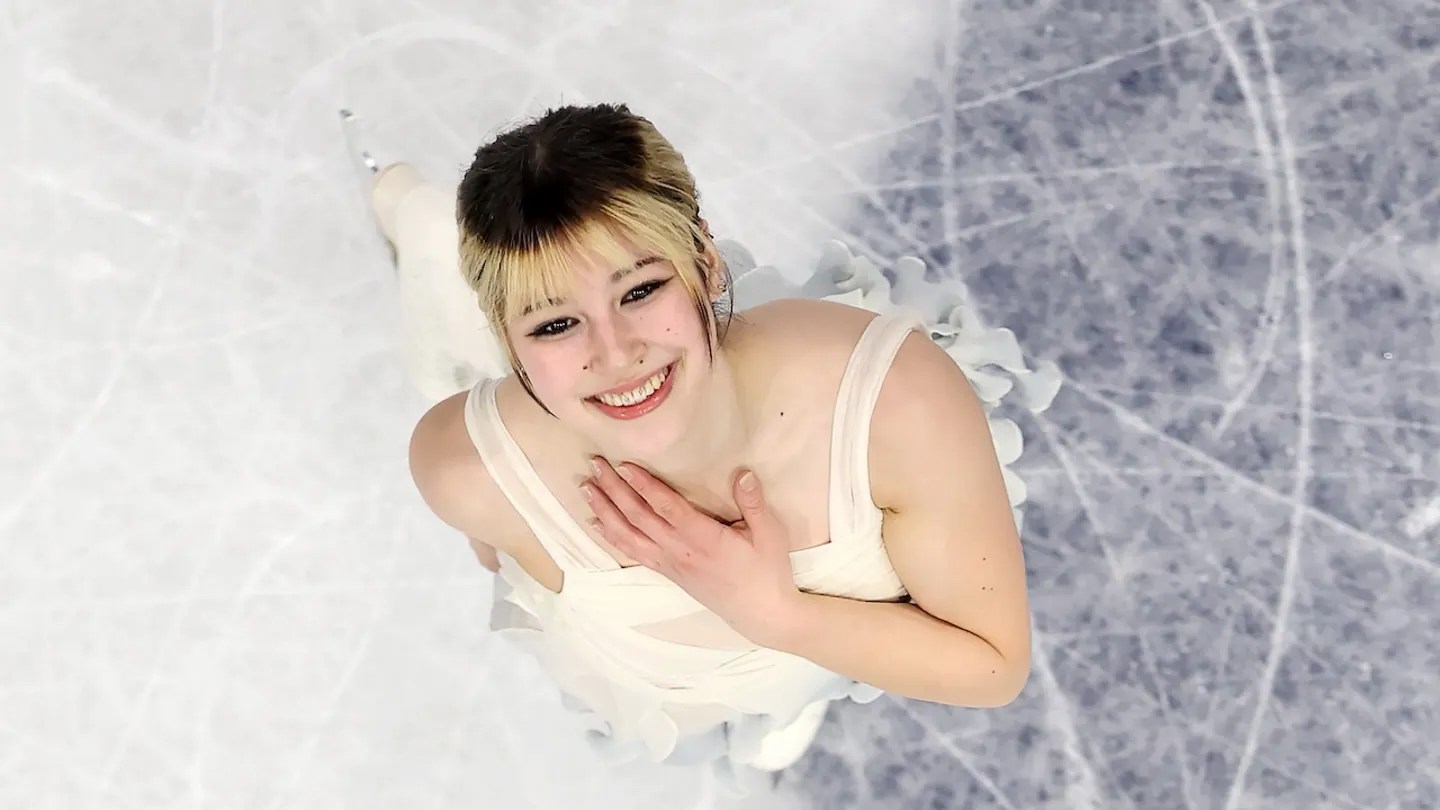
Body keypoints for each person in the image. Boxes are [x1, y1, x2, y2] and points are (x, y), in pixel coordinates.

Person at [347, 103, 1060, 791]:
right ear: (508, 344)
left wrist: (779, 617)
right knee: (450, 362)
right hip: (654, 670)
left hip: (809, 538)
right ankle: (424, 229)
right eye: (554, 326)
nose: (617, 353)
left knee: (795, 688)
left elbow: (993, 665)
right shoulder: (467, 471)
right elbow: (500, 561)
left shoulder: (897, 407)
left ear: (708, 263)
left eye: (640, 291)